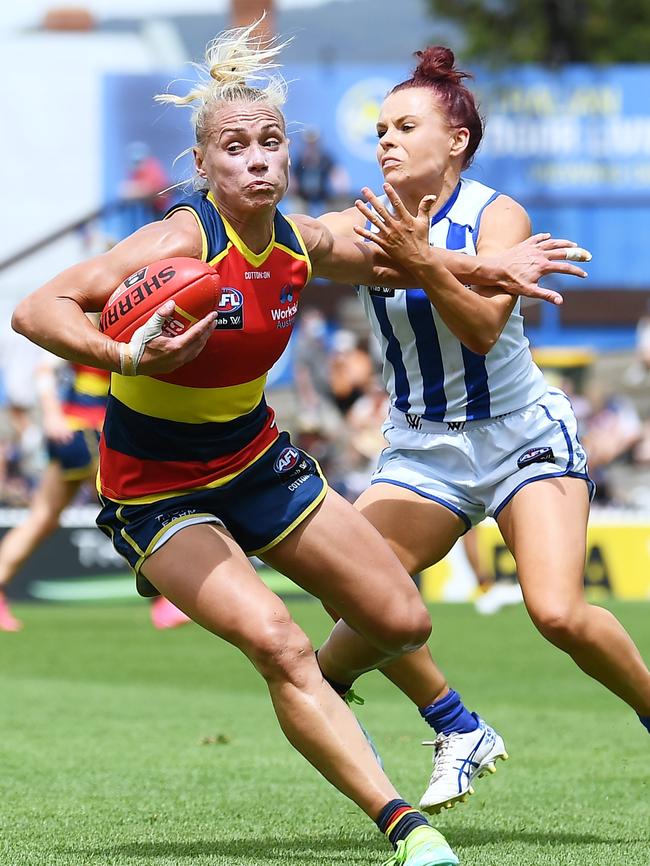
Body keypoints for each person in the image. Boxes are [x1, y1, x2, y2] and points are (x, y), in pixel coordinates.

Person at [10, 25, 601, 862]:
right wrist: (122, 353)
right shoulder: (181, 243)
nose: (255, 160)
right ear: (205, 165)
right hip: (157, 489)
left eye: (270, 144)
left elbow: (402, 263)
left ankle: (451, 720)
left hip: (255, 464)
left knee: (398, 617)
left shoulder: (298, 241)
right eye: (234, 147)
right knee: (285, 645)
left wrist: (497, 269)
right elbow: (37, 309)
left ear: (288, 157)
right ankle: (406, 827)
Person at [316, 44, 650, 812]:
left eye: (404, 126)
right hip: (423, 450)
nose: (385, 142)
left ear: (455, 140)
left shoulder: (497, 214)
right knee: (351, 591)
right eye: (378, 130)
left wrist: (424, 261)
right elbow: (301, 240)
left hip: (519, 435)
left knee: (558, 613)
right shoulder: (363, 221)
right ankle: (457, 726)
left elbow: (475, 329)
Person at [0, 351, 190, 632]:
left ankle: (164, 602)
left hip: (82, 432)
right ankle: (164, 601)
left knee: (44, 517)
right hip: (88, 433)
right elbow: (45, 369)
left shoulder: (106, 328)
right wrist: (52, 415)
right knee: (129, 513)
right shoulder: (93, 326)